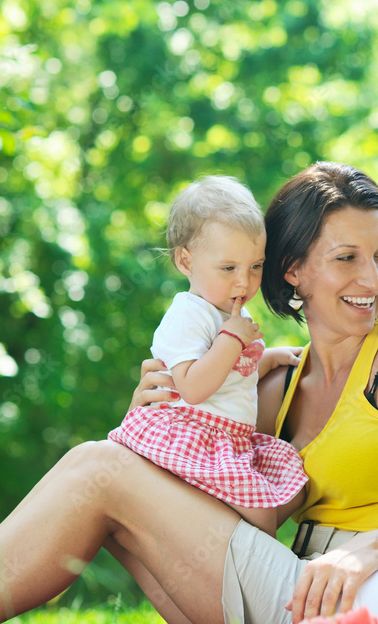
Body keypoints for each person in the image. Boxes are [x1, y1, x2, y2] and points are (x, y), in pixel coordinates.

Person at [0, 162, 378, 624]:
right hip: (286, 579)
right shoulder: (270, 383)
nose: (372, 279)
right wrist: (156, 421)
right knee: (108, 475)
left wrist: (375, 547)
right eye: (346, 258)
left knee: (98, 469)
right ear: (291, 271)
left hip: (356, 588)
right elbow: (211, 498)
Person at [106, 175, 307, 537]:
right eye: (228, 268)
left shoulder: (229, 313)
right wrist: (231, 339)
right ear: (186, 261)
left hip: (227, 440)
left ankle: (242, 575)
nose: (243, 283)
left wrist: (268, 358)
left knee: (279, 496)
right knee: (260, 516)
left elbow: (231, 375)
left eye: (255, 267)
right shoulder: (189, 314)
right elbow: (194, 387)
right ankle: (265, 581)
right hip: (195, 438)